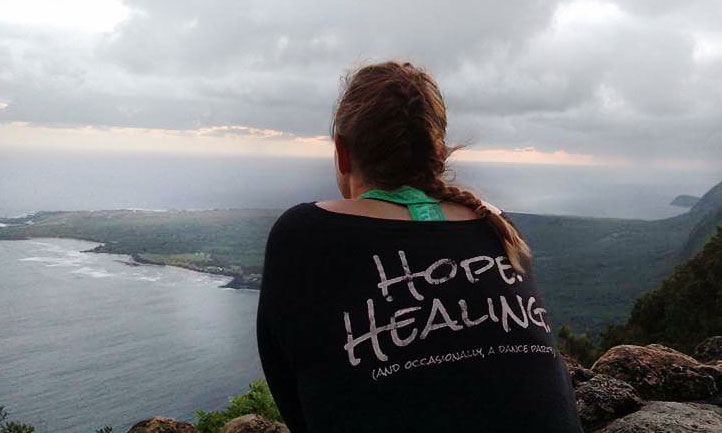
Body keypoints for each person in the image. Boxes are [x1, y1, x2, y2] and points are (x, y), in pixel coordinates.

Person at [255, 60, 583, 433]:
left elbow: (295, 401)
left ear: (343, 152)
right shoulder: (496, 226)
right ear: (439, 154)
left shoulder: (303, 234)